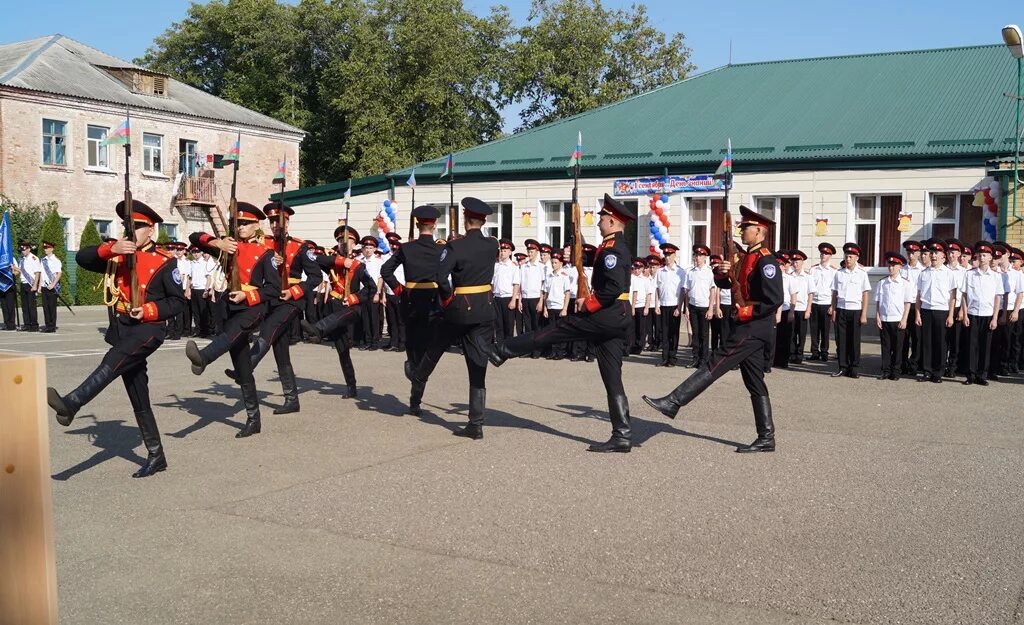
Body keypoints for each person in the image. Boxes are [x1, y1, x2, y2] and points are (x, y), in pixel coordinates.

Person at [47, 200, 186, 478]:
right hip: (123, 327)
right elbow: (82, 259)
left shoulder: (164, 262)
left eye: (137, 227)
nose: (131, 231)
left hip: (148, 328)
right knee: (138, 394)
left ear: (151, 229)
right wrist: (110, 248)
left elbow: (177, 302)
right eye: (127, 226)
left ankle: (74, 401)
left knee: (114, 359)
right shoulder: (117, 255)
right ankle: (156, 455)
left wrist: (147, 309)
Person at [488, 194, 635, 452]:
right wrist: (579, 251)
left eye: (602, 219)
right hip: (616, 316)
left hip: (606, 314)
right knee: (612, 375)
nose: (599, 222)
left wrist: (587, 304)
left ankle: (503, 350)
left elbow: (612, 287)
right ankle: (622, 435)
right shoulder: (612, 246)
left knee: (554, 330)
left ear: (612, 221)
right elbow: (599, 262)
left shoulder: (614, 250)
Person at [642, 205, 783, 453]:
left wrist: (746, 311)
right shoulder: (749, 257)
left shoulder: (766, 261)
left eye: (746, 228)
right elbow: (732, 284)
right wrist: (723, 273)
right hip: (749, 325)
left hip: (753, 326)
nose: (741, 231)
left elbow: (774, 300)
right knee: (754, 381)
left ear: (759, 231)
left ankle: (674, 402)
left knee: (714, 362)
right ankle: (766, 437)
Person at [406, 197, 499, 439]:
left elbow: (440, 275)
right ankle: (476, 423)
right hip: (486, 308)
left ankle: (418, 375)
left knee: (436, 346)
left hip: (460, 308)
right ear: (483, 220)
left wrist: (447, 298)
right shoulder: (492, 245)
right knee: (478, 364)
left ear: (466, 220)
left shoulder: (456, 246)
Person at [184, 202, 280, 438]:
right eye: (237, 224)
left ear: (256, 225)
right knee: (242, 364)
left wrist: (248, 295)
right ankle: (253, 419)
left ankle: (204, 357)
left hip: (252, 307)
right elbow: (194, 237)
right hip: (230, 305)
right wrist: (217, 242)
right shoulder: (227, 247)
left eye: (246, 224)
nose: (241, 228)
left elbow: (274, 289)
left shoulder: (265, 254)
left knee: (230, 336)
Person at [224, 202, 322, 414]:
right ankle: (291, 399)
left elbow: (316, 277)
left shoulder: (300, 246)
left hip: (291, 301)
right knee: (280, 349)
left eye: (278, 221)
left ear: (287, 221)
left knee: (267, 330)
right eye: (271, 221)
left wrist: (295, 292)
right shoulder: (263, 245)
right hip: (272, 300)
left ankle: (245, 368)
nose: (275, 225)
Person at [381, 205, 444, 415]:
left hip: (411, 302)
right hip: (433, 303)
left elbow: (385, 270)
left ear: (418, 225)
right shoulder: (441, 249)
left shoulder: (406, 249)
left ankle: (415, 397)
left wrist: (400, 289)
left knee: (414, 350)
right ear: (434, 226)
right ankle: (416, 395)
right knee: (428, 351)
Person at [301, 227, 377, 399]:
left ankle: (318, 330)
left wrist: (354, 298)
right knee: (343, 350)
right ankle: (351, 385)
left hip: (351, 308)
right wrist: (341, 262)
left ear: (354, 243)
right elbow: (313, 257)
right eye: (340, 240)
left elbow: (371, 288)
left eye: (348, 240)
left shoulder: (359, 266)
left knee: (339, 320)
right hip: (334, 306)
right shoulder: (332, 262)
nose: (344, 243)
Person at [915, 240, 956, 383]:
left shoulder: (948, 273)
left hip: (941, 311)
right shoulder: (923, 273)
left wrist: (951, 315)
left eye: (936, 253)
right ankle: (927, 371)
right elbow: (919, 296)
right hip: (926, 310)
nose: (933, 256)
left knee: (940, 343)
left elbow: (952, 297)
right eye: (931, 253)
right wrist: (918, 313)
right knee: (927, 342)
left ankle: (938, 372)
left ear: (943, 256)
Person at [961, 242, 1001, 386]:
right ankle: (970, 375)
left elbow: (997, 298)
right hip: (972, 314)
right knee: (971, 345)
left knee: (985, 346)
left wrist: (995, 318)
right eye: (980, 255)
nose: (982, 258)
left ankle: (982, 375)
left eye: (985, 255)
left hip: (987, 314)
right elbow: (964, 295)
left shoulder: (996, 276)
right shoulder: (970, 274)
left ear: (990, 257)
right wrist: (965, 315)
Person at [829, 242, 871, 378]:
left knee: (854, 340)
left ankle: (854, 368)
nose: (848, 259)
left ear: (857, 258)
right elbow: (834, 293)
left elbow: (865, 294)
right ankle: (842, 367)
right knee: (841, 340)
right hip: (841, 309)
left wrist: (864, 313)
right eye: (847, 256)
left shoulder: (862, 274)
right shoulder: (838, 274)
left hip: (855, 310)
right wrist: (834, 310)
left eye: (851, 256)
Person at [874, 252, 913, 380]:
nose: (891, 268)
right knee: (886, 346)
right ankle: (885, 370)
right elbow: (878, 302)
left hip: (898, 319)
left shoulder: (905, 283)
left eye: (894, 265)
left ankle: (896, 371)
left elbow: (907, 303)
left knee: (898, 347)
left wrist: (904, 319)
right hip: (885, 319)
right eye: (889, 265)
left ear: (900, 267)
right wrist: (878, 317)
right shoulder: (882, 283)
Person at [685, 244, 716, 368]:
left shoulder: (709, 272)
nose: (697, 258)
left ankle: (704, 360)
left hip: (704, 307)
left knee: (704, 334)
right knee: (695, 334)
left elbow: (712, 290)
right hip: (693, 306)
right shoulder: (690, 272)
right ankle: (695, 358)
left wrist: (710, 308)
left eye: (700, 255)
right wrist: (686, 308)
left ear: (705, 258)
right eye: (696, 255)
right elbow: (686, 291)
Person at [654, 242, 685, 367]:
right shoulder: (661, 271)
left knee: (674, 332)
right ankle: (664, 357)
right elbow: (657, 289)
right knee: (664, 332)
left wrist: (679, 307)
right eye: (665, 255)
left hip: (674, 305)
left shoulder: (680, 272)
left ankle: (672, 357)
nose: (667, 257)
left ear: (674, 255)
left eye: (669, 255)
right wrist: (657, 305)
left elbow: (682, 291)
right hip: (664, 305)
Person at [808, 242, 837, 361]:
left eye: (826, 254)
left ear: (830, 256)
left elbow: (835, 290)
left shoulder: (834, 271)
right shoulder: (813, 269)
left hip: (826, 303)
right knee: (814, 329)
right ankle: (815, 352)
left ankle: (824, 352)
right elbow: (809, 288)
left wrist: (832, 306)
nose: (823, 256)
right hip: (814, 302)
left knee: (825, 330)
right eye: (822, 253)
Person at [900, 240, 925, 375]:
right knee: (903, 336)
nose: (911, 255)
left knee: (917, 337)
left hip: (916, 306)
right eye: (909, 252)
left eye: (914, 253)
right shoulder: (902, 269)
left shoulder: (923, 271)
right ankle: (902, 363)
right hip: (903, 306)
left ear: (919, 253)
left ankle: (914, 363)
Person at [541, 251, 571, 359]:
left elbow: (567, 293)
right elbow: (546, 293)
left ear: (561, 263)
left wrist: (565, 308)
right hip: (550, 307)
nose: (553, 265)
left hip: (559, 307)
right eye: (552, 262)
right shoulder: (549, 276)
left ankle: (560, 351)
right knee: (551, 330)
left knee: (560, 330)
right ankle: (553, 351)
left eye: (555, 263)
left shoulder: (564, 276)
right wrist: (545, 308)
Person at [356, 236, 384, 350]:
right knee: (365, 318)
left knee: (374, 318)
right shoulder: (359, 261)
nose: (368, 250)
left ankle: (375, 342)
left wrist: (378, 293)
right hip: (362, 292)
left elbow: (380, 278)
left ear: (374, 249)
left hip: (373, 291)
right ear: (362, 249)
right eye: (366, 247)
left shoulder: (378, 262)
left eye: (370, 248)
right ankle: (367, 340)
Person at [492, 238, 521, 342]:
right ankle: (500, 346)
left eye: (505, 251)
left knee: (508, 324)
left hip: (507, 297)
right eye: (501, 250)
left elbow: (516, 284)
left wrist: (513, 300)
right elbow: (492, 283)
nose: (502, 253)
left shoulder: (513, 266)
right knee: (498, 323)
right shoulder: (496, 265)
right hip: (497, 297)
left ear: (510, 252)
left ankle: (509, 346)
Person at [382, 232, 406, 351]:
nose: (393, 246)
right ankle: (393, 342)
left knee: (401, 319)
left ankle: (402, 343)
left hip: (400, 291)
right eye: (391, 244)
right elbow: (383, 276)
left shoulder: (403, 257)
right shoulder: (385, 257)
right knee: (391, 320)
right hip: (389, 292)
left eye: (395, 244)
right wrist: (383, 295)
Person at [787, 250, 812, 363]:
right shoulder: (789, 276)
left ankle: (799, 354)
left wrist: (808, 309)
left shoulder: (807, 276)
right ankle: (791, 353)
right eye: (793, 262)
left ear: (802, 262)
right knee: (791, 333)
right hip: (792, 308)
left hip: (802, 308)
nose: (795, 264)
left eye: (797, 262)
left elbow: (810, 294)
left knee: (801, 334)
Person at [14, 241, 41, 331]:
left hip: (30, 284)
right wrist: (13, 268)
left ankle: (34, 325)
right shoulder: (22, 259)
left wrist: (35, 285)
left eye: (24, 249)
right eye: (21, 249)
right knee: (24, 306)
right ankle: (27, 324)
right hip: (23, 284)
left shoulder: (34, 258)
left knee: (31, 306)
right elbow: (21, 271)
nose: (22, 251)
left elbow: (37, 273)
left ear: (29, 249)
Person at [39, 241, 62, 333]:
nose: (45, 249)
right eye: (44, 248)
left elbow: (59, 274)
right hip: (44, 286)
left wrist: (53, 284)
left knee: (52, 307)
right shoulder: (43, 260)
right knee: (45, 307)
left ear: (52, 249)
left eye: (47, 248)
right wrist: (40, 286)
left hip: (52, 287)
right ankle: (47, 325)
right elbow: (41, 273)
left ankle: (52, 327)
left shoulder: (56, 260)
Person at [628, 259, 650, 355]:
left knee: (641, 328)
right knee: (632, 327)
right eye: (635, 268)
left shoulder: (645, 279)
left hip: (641, 305)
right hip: (631, 305)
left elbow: (648, 294)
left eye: (639, 268)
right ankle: (631, 345)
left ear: (642, 269)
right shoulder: (630, 278)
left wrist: (647, 307)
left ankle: (639, 345)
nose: (637, 270)